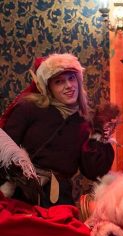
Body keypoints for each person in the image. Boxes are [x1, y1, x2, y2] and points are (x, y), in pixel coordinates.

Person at [0, 53, 115, 207]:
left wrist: (100, 135)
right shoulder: (28, 108)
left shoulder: (84, 122)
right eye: (59, 81)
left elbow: (93, 171)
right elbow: (3, 150)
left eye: (71, 78)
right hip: (21, 196)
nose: (69, 85)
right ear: (48, 88)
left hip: (60, 200)